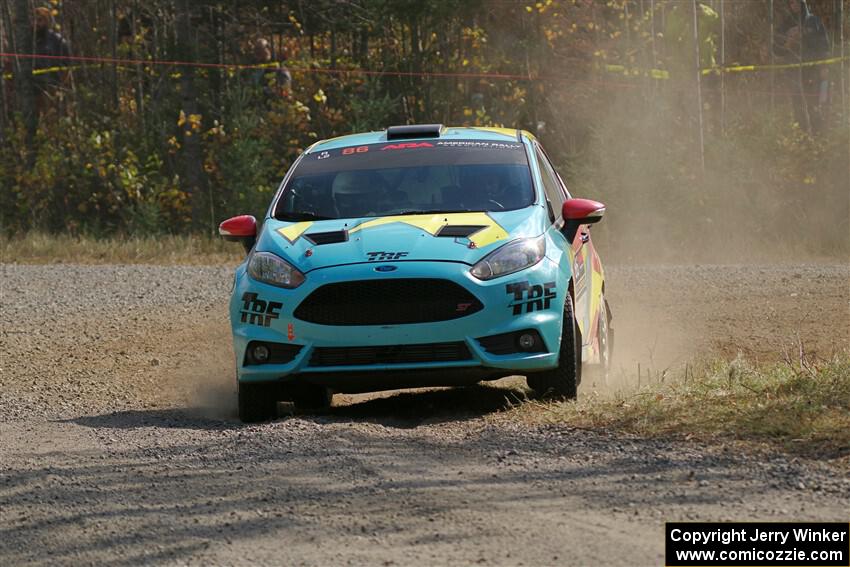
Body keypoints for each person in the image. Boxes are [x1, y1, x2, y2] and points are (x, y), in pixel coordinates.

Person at [774, 0, 831, 134]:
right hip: (793, 71)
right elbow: (777, 49)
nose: (794, 6)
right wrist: (788, 42)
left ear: (803, 3)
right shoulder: (786, 24)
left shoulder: (814, 21)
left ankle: (819, 135)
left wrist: (824, 66)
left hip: (813, 71)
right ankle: (802, 135)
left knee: (815, 103)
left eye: (797, 3)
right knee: (797, 103)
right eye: (791, 3)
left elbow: (824, 46)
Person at [32, 6, 71, 110]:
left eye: (40, 20)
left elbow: (67, 67)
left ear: (47, 21)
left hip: (51, 88)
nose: (36, 23)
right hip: (32, 90)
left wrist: (58, 88)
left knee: (51, 119)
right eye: (34, 20)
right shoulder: (29, 41)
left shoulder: (57, 40)